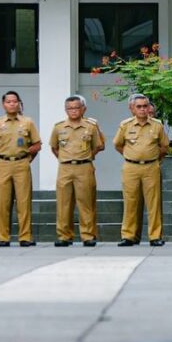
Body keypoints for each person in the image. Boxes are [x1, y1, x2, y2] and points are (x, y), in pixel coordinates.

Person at [114, 94, 170, 247]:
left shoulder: (157, 125)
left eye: (145, 106)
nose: (142, 109)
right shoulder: (125, 125)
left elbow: (164, 147)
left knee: (154, 203)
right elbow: (118, 145)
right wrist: (131, 156)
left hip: (151, 167)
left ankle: (155, 236)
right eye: (139, 106)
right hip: (130, 167)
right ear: (132, 108)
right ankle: (128, 236)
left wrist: (153, 159)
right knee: (130, 202)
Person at [50, 95, 105, 247]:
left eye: (76, 108)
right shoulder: (59, 127)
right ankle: (64, 236)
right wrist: (65, 158)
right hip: (65, 168)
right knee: (63, 203)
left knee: (86, 202)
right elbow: (54, 147)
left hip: (84, 167)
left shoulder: (90, 126)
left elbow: (98, 146)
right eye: (70, 108)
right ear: (65, 110)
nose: (73, 111)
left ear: (83, 109)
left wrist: (86, 157)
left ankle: (88, 236)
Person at [0, 91, 41, 247]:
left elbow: (37, 145)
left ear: (19, 103)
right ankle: (3, 237)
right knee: (3, 202)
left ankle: (25, 236)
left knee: (24, 202)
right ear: (3, 104)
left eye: (14, 101)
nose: (12, 104)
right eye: (8, 101)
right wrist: (4, 156)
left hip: (22, 164)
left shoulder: (27, 122)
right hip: (3, 164)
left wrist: (26, 158)